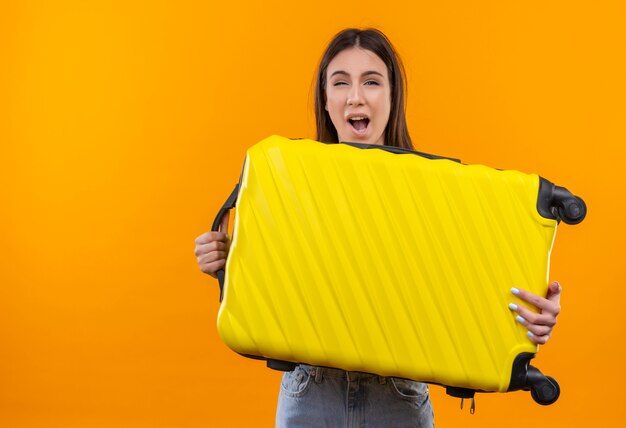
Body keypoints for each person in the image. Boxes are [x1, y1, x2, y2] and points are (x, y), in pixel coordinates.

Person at [194, 28, 563, 427]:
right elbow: (283, 291)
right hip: (309, 396)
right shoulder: (288, 190)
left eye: (371, 82)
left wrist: (529, 319)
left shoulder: (437, 196)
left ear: (392, 97)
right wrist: (230, 262)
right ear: (326, 100)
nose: (356, 96)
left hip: (399, 401)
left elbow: (463, 287)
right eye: (340, 83)